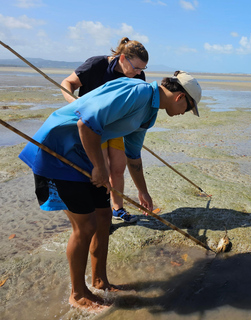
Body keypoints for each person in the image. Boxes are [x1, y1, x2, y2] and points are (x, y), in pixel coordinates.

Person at [19, 71, 202, 312]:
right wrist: (99, 167)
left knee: (104, 219)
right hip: (58, 150)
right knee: (85, 227)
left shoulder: (149, 114)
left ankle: (99, 281)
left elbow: (133, 155)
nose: (185, 114)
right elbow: (85, 123)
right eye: (189, 109)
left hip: (84, 155)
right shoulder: (139, 92)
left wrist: (142, 192)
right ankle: (78, 294)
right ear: (180, 97)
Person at [61, 37, 149, 223]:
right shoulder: (96, 64)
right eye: (136, 67)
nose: (139, 73)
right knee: (102, 169)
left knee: (117, 169)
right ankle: (103, 212)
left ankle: (118, 209)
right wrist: (76, 103)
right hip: (91, 127)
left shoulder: (138, 76)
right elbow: (67, 83)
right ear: (123, 58)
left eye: (143, 69)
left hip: (116, 128)